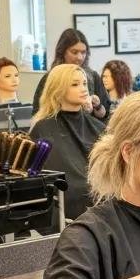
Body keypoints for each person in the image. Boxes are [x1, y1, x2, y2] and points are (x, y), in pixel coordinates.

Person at [30, 65, 106, 220]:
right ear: (58, 89)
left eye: (84, 83)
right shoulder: (44, 129)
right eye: (75, 84)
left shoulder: (98, 127)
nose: (83, 88)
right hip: (68, 208)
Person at [32, 29, 110, 123]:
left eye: (83, 52)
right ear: (62, 52)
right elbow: (38, 113)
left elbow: (106, 114)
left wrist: (97, 106)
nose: (80, 57)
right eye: (74, 52)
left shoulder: (93, 77)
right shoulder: (50, 78)